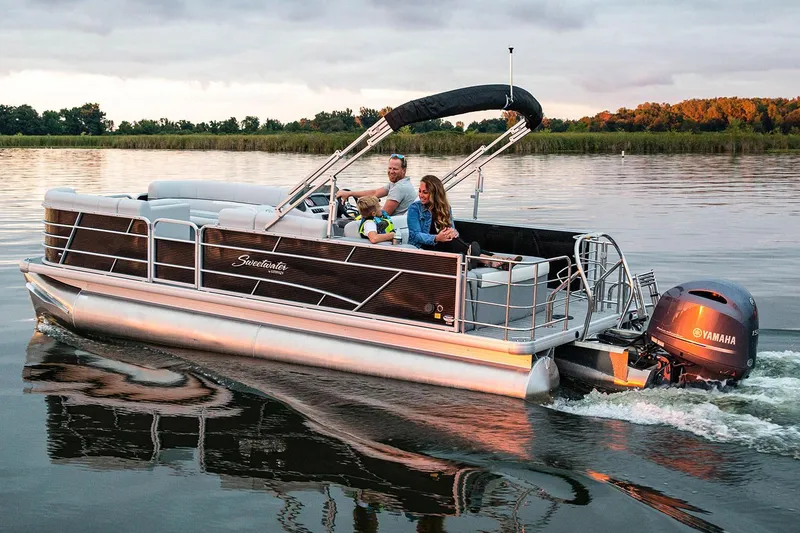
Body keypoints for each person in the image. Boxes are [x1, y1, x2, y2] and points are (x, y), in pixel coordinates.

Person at [407, 175, 521, 269]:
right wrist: (437, 238)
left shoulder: (445, 207)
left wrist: (453, 232)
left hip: (443, 243)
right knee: (456, 243)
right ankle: (496, 260)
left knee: (454, 239)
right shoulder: (415, 208)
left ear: (434, 194)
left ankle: (492, 260)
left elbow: (453, 228)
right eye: (420, 191)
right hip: (423, 246)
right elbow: (415, 235)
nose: (421, 195)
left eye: (425, 192)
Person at [335, 154, 417, 215]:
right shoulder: (400, 182)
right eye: (390, 168)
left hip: (392, 227)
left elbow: (384, 214)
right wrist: (350, 193)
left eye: (395, 169)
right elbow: (375, 193)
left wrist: (365, 208)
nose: (391, 172)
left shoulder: (399, 187)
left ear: (404, 170)